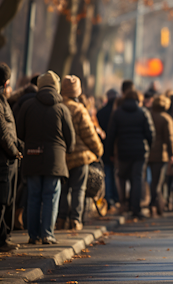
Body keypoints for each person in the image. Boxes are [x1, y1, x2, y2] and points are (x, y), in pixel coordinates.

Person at [17, 70, 75, 244]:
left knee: (34, 196)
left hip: (32, 157)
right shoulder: (62, 108)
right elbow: (70, 137)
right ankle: (47, 234)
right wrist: (68, 150)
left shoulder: (27, 106)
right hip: (54, 160)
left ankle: (33, 235)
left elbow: (19, 132)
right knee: (51, 196)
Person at [57, 76, 103, 230]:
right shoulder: (79, 110)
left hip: (61, 156)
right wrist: (98, 150)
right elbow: (89, 134)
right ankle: (75, 220)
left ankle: (61, 219)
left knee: (63, 190)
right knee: (78, 189)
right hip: (80, 157)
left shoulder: (58, 106)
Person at [105, 90, 154, 219]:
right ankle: (135, 208)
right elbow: (150, 133)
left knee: (122, 177)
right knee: (137, 179)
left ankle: (123, 204)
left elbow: (111, 134)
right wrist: (149, 146)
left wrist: (110, 152)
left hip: (123, 150)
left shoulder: (117, 113)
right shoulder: (143, 112)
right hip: (140, 151)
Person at [0, 63, 23, 252]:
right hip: (4, 159)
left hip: (8, 157)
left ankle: (5, 236)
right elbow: (2, 131)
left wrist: (19, 144)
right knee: (3, 199)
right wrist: (13, 150)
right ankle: (1, 239)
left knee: (7, 198)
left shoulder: (3, 100)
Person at [148, 95, 173, 216]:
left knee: (149, 181)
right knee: (158, 182)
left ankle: (153, 204)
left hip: (147, 152)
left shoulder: (148, 115)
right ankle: (155, 205)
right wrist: (172, 153)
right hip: (161, 154)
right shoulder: (166, 119)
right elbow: (169, 138)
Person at [96, 89, 118, 209]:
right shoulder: (117, 112)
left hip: (103, 146)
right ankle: (116, 197)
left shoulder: (100, 112)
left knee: (108, 173)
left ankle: (109, 197)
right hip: (117, 147)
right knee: (116, 174)